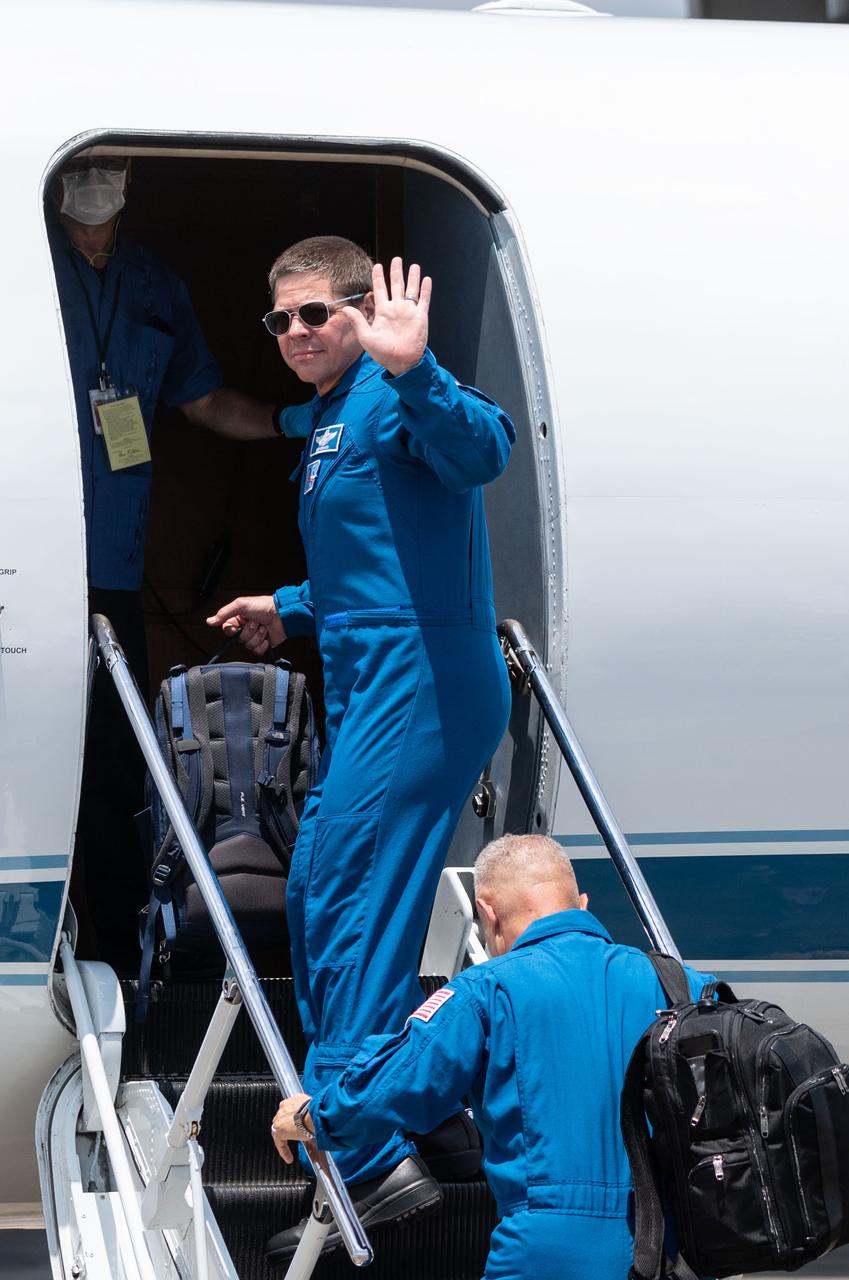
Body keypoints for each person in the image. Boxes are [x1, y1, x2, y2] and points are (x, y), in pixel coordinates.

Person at [207, 237, 515, 1251]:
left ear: (359, 308)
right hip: (379, 669)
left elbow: (481, 451)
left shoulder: (391, 387)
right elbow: (379, 562)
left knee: (345, 893)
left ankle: (364, 1147)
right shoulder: (334, 414)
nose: (295, 333)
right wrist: (287, 607)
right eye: (279, 319)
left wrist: (414, 362)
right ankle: (426, 1115)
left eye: (314, 314)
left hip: (421, 683)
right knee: (325, 890)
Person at [268, 835, 716, 1278]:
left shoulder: (487, 989)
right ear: (581, 903)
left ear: (487, 912)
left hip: (549, 1250)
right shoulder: (685, 985)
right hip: (677, 1250)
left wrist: (312, 1118)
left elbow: (393, 1084)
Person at [50, 154, 276, 967]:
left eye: (111, 166)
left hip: (111, 565)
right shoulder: (27, 259)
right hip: (32, 566)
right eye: (84, 166)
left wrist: (299, 421)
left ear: (133, 177)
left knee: (114, 768)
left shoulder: (152, 282)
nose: (98, 180)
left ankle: (114, 955)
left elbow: (203, 399)